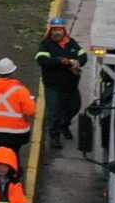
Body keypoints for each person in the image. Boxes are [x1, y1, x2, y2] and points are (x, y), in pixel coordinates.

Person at [36, 16, 86, 152]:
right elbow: (42, 60)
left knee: (74, 107)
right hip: (54, 86)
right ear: (50, 31)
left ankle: (64, 125)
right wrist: (60, 61)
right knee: (54, 112)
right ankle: (54, 136)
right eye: (54, 30)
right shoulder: (45, 45)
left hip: (71, 86)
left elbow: (83, 55)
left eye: (59, 30)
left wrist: (78, 62)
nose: (56, 32)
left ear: (64, 31)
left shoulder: (71, 43)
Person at [0, 56, 38, 156]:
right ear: (13, 72)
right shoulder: (21, 90)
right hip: (18, 133)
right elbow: (31, 111)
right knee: (14, 154)